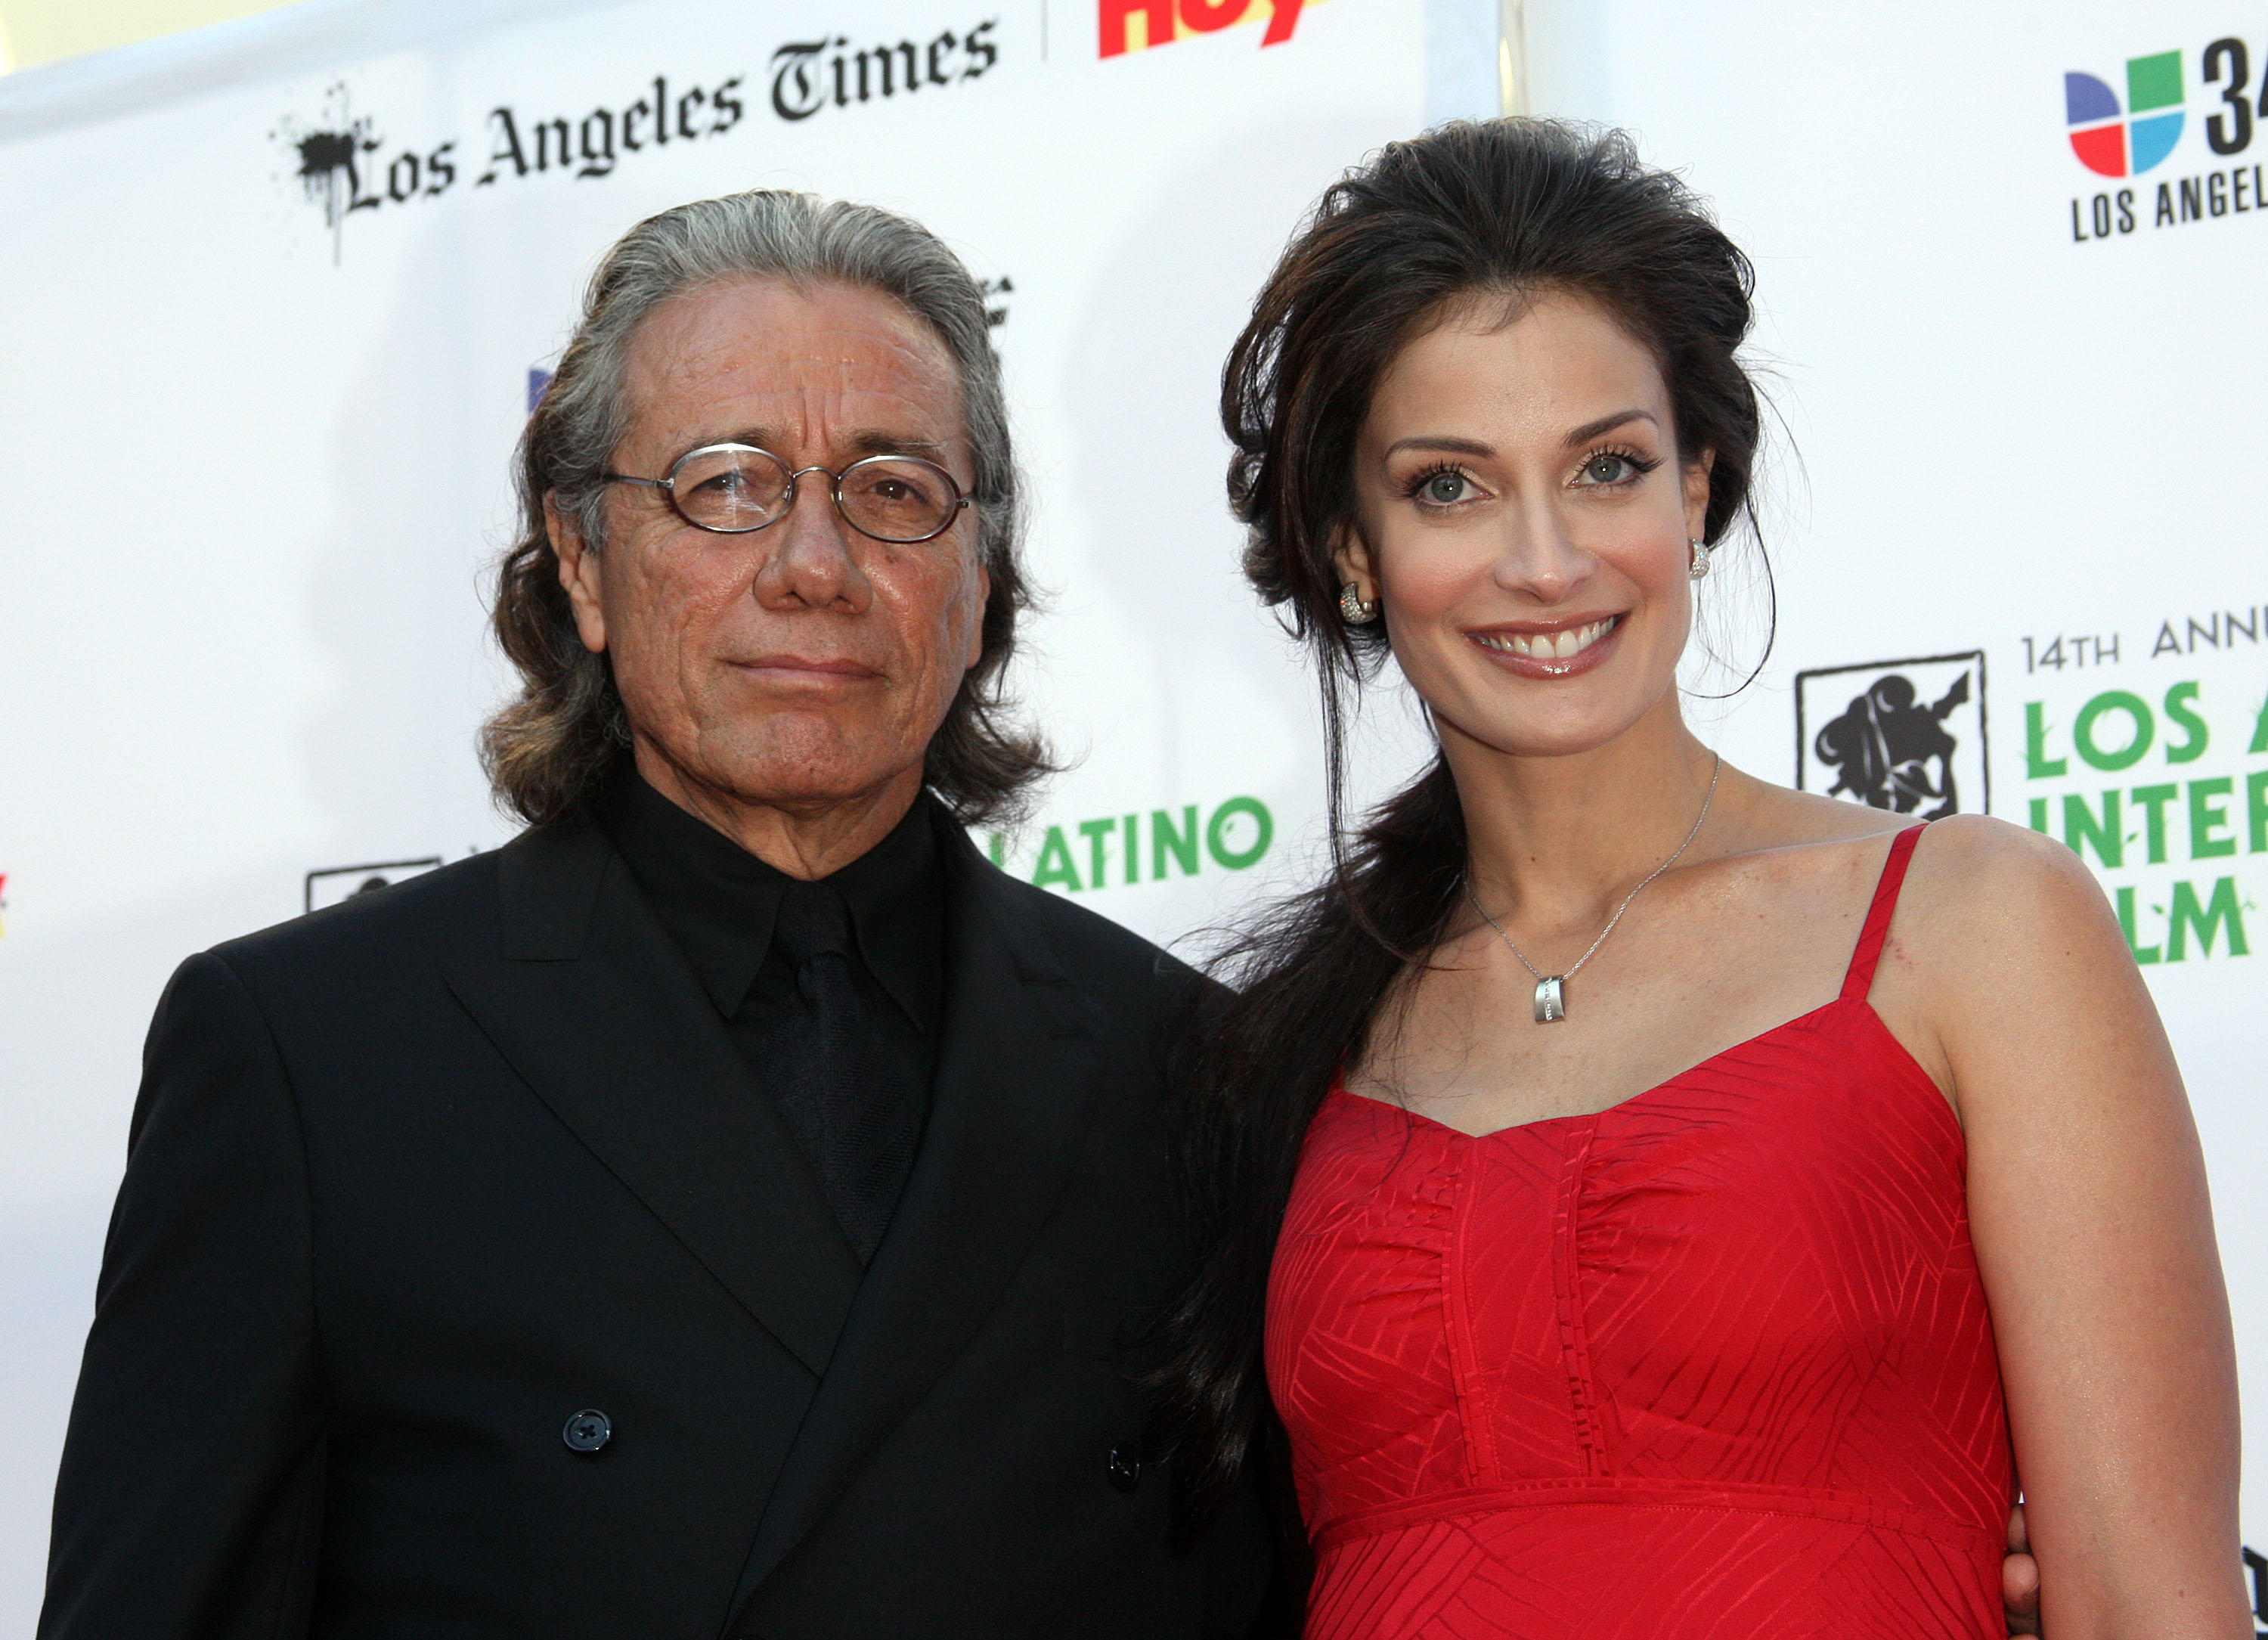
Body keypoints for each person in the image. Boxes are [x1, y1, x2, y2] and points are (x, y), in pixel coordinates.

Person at [39, 191, 1273, 1638]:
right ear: (580, 560)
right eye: (725, 482)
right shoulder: (312, 1056)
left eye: (892, 489)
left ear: (978, 574)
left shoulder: (1191, 1069)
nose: (814, 564)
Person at [1152, 121, 2245, 1639]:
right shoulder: (1285, 1051)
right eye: (1450, 486)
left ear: (1697, 487)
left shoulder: (1973, 927)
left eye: (1607, 466)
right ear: (1350, 544)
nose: (1544, 560)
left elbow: (2149, 1604)